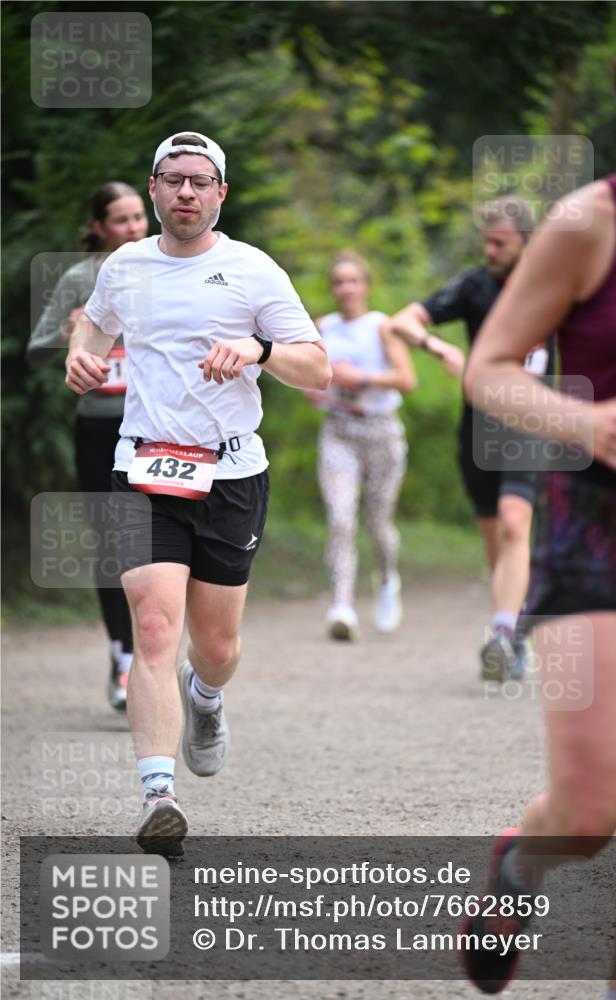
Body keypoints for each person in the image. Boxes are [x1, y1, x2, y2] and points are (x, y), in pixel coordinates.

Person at [461, 23, 616, 998]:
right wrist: (579, 420)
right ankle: (518, 866)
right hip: (598, 521)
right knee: (591, 805)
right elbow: (488, 369)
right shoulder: (590, 221)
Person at [65, 132, 331, 855]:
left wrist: (260, 350)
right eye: (172, 180)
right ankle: (158, 795)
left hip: (231, 473)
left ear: (220, 193)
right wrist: (81, 356)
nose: (185, 193)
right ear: (152, 190)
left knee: (214, 646)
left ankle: (206, 696)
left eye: (199, 181)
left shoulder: (252, 270)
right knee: (153, 628)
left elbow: (317, 369)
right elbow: (94, 320)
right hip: (145, 467)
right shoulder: (127, 265)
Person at [389, 197, 554, 680]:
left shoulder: (555, 282)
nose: (490, 249)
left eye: (499, 241)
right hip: (479, 424)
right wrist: (438, 346)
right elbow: (399, 321)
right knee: (495, 539)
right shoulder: (474, 285)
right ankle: (513, 628)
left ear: (527, 241)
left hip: (532, 419)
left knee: (514, 520)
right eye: (486, 239)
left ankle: (503, 634)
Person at [27, 182, 148, 709]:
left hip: (156, 428)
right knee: (111, 546)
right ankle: (123, 656)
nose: (133, 229)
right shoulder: (79, 277)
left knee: (155, 543)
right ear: (98, 227)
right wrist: (66, 332)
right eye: (121, 221)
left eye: (139, 218)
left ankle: (154, 656)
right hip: (99, 428)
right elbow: (33, 353)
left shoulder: (160, 267)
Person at [306, 250, 416, 640]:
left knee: (377, 523)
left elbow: (407, 379)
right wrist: (318, 388)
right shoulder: (324, 327)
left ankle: (387, 579)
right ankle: (342, 605)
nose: (346, 289)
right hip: (340, 432)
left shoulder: (381, 326)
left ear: (366, 286)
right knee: (340, 519)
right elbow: (311, 381)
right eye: (339, 282)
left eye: (353, 280)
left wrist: (362, 379)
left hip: (382, 432)